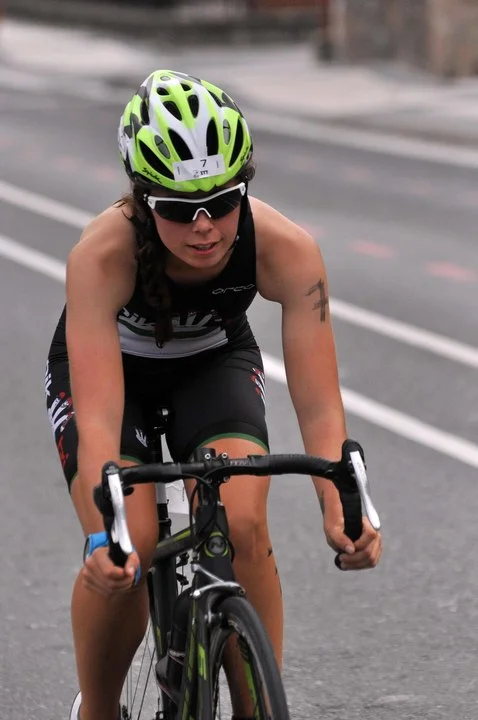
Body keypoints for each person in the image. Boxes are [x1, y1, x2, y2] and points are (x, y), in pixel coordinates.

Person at [45, 69, 382, 720]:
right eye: (178, 209)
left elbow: (319, 402)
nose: (204, 227)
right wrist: (103, 532)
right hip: (113, 376)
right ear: (143, 200)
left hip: (211, 362)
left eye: (223, 202)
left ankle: (259, 706)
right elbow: (100, 414)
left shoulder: (285, 249)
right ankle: (99, 709)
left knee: (244, 522)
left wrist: (341, 503)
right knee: (130, 544)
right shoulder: (102, 255)